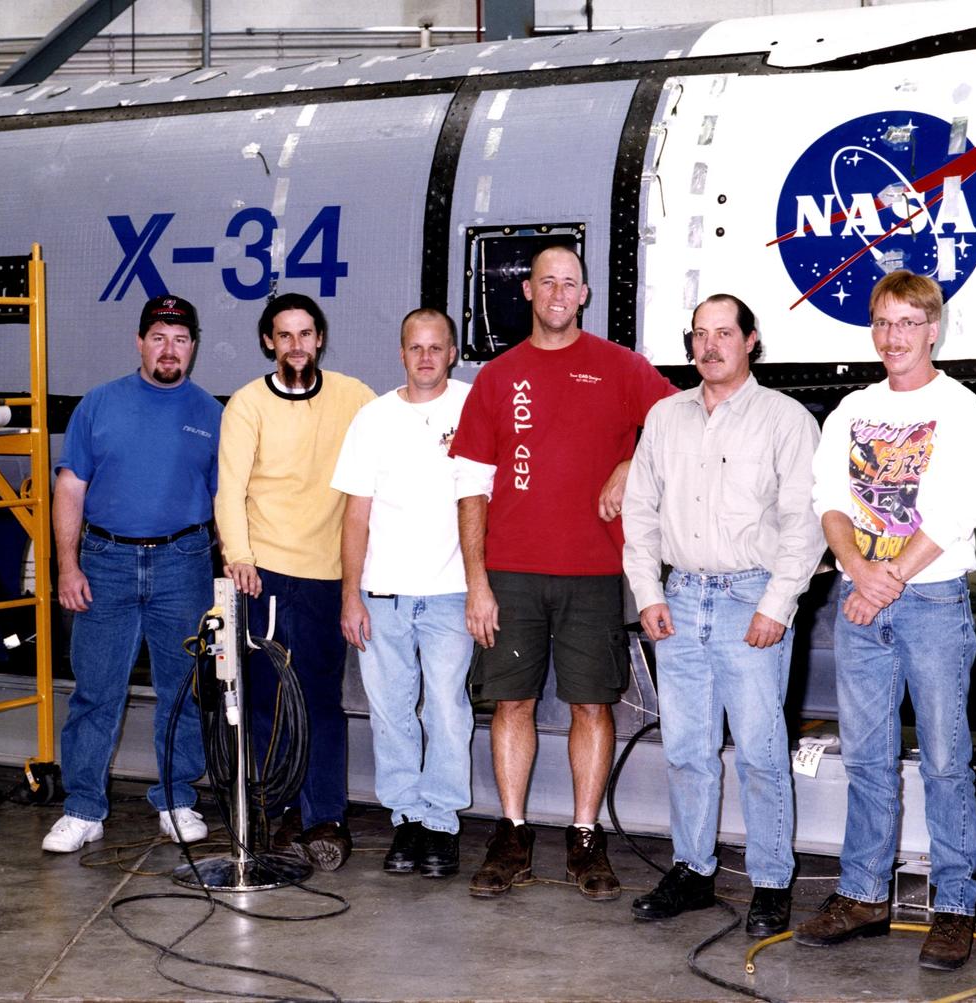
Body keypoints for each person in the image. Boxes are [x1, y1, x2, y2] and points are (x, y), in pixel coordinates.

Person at [450, 244, 676, 900]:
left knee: (591, 703)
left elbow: (681, 420)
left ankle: (584, 834)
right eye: (545, 281)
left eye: (569, 282)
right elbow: (471, 486)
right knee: (511, 702)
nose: (556, 292)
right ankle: (513, 830)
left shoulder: (620, 368)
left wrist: (634, 463)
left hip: (594, 571)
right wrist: (478, 582)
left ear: (585, 293)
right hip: (512, 573)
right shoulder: (497, 377)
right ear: (527, 291)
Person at [793, 270, 976, 970]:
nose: (893, 337)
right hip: (862, 597)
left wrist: (885, 581)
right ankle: (862, 893)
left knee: (945, 758)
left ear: (933, 328)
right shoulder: (852, 408)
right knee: (869, 758)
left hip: (931, 601)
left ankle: (953, 904)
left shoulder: (961, 409)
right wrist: (855, 567)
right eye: (883, 322)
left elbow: (959, 508)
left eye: (908, 323)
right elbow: (829, 499)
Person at [622, 294, 823, 935]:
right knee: (686, 749)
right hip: (680, 601)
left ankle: (770, 883)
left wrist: (777, 602)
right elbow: (641, 511)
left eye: (723, 334)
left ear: (751, 340)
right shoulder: (664, 417)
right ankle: (693, 870)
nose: (710, 347)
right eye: (699, 335)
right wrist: (648, 592)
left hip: (750, 600)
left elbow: (805, 522)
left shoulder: (785, 420)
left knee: (762, 752)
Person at [43, 294, 220, 853]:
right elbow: (70, 487)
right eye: (159, 338)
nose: (170, 349)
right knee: (96, 691)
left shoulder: (211, 414)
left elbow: (228, 497)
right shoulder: (98, 405)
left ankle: (175, 799)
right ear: (140, 341)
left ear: (193, 348)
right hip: (106, 563)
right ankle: (83, 809)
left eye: (181, 339)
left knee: (185, 691)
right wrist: (66, 566)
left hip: (183, 563)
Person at [214, 292, 374, 871]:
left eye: (306, 334)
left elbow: (394, 440)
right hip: (268, 575)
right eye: (285, 336)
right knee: (271, 702)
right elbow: (229, 489)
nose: (296, 346)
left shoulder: (355, 397)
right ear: (268, 342)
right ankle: (277, 812)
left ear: (320, 340)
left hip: (329, 575)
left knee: (322, 702)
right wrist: (240, 556)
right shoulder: (247, 405)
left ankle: (326, 818)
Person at [332, 308, 474, 879]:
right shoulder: (372, 419)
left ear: (453, 352)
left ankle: (441, 824)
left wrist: (482, 588)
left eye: (436, 347)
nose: (425, 358)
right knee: (391, 715)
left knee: (445, 708)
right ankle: (405, 819)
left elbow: (487, 501)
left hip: (450, 595)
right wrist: (350, 595)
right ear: (401, 353)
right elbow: (355, 516)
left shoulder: (472, 407)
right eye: (415, 347)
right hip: (383, 596)